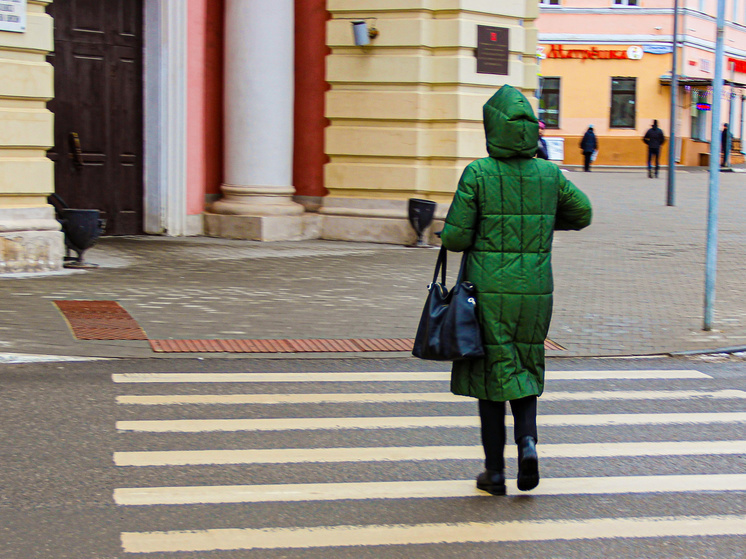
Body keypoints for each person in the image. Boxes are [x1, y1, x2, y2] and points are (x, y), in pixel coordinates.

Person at [439, 85, 592, 495]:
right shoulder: (549, 173)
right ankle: (528, 443)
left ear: (493, 128)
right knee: (525, 366)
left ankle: (494, 472)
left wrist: (455, 230)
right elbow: (583, 213)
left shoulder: (479, 173)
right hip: (536, 290)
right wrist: (540, 224)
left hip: (488, 291)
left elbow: (455, 238)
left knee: (491, 378)